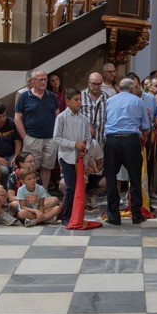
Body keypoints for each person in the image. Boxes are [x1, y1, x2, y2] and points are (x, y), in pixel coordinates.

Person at [103, 77, 150, 225]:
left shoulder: (110, 101)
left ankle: (113, 215)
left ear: (119, 88)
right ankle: (136, 214)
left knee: (111, 178)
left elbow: (105, 120)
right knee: (135, 178)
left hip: (112, 141)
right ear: (131, 89)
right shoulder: (138, 101)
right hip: (131, 140)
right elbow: (146, 126)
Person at [15, 69, 60, 189]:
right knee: (29, 168)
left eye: (45, 79)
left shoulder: (52, 96)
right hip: (32, 138)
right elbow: (17, 118)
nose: (44, 82)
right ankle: (29, 192)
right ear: (33, 81)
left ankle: (43, 192)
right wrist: (25, 137)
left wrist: (57, 135)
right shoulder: (24, 97)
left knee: (47, 167)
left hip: (50, 138)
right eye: (41, 79)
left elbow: (58, 116)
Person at [52, 87, 91, 224]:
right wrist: (74, 144)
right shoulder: (61, 117)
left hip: (79, 158)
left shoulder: (84, 119)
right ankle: (66, 216)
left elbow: (88, 138)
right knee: (70, 187)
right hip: (66, 156)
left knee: (79, 186)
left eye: (80, 99)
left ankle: (76, 214)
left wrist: (86, 149)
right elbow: (56, 138)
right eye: (76, 100)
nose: (79, 102)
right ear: (67, 101)